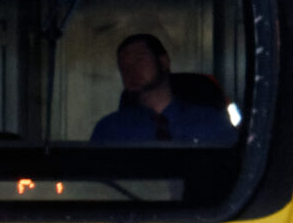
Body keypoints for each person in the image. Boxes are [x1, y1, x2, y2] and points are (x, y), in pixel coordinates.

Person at [89, 33, 234, 145]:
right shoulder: (111, 129)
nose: (131, 70)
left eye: (139, 60)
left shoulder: (209, 121)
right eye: (124, 66)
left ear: (163, 61)